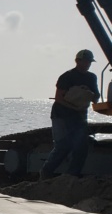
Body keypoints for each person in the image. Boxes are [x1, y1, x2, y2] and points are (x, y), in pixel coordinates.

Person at [39, 49, 101, 180]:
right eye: (85, 61)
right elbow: (59, 98)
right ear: (77, 61)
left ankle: (71, 176)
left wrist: (89, 94)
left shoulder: (91, 77)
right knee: (63, 145)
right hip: (61, 115)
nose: (88, 64)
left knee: (81, 147)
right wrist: (74, 107)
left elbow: (95, 97)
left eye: (90, 62)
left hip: (79, 117)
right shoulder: (67, 76)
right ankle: (46, 173)